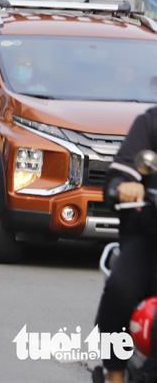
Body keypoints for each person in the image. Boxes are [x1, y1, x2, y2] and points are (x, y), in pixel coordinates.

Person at [94, 106, 157, 382]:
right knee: (121, 289)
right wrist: (124, 186)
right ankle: (115, 374)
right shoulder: (150, 123)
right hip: (148, 237)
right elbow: (120, 175)